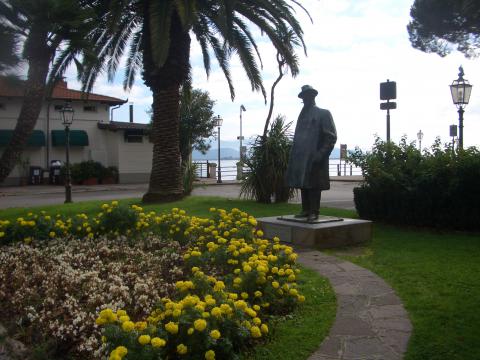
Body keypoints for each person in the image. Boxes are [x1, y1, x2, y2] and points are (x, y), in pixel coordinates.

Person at [286, 85, 337, 222]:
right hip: (301, 157)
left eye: (308, 96)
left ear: (313, 96)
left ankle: (314, 211)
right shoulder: (302, 116)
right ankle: (306, 209)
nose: (305, 99)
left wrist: (320, 154)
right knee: (304, 183)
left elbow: (331, 137)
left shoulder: (323, 113)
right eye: (303, 97)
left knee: (314, 185)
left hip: (315, 157)